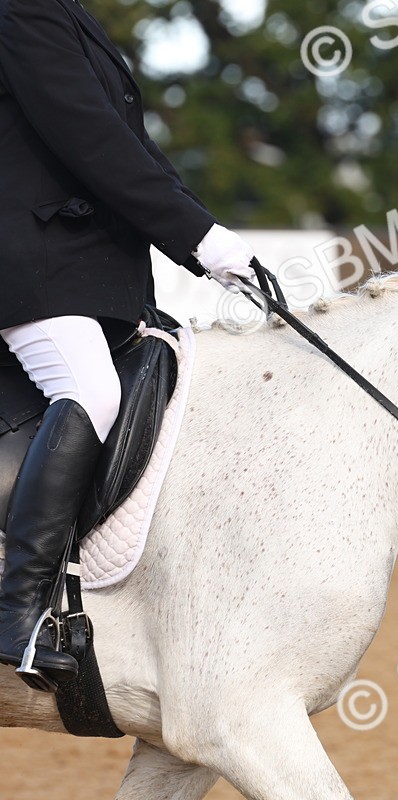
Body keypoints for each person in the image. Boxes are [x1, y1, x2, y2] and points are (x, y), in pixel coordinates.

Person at [0, 0, 254, 690]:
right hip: (34, 264)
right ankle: (17, 613)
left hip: (89, 271)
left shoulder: (65, 13)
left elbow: (133, 148)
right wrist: (197, 238)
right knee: (90, 390)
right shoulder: (21, 10)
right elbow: (89, 138)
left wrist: (203, 237)